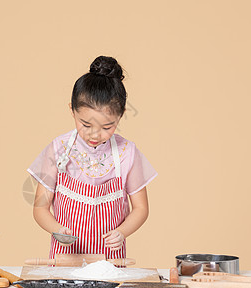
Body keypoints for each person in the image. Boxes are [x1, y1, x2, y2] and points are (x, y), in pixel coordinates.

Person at [27, 56, 157, 260]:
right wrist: (57, 229)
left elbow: (141, 208)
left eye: (107, 127)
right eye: (86, 125)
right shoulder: (59, 149)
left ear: (120, 116)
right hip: (65, 260)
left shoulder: (127, 153)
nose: (95, 135)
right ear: (72, 110)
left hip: (109, 263)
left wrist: (121, 233)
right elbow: (40, 207)